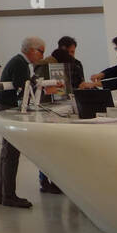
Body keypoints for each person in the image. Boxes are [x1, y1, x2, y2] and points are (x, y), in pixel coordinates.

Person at [0, 36, 47, 208]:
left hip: (5, 107)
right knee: (10, 155)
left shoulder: (20, 63)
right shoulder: (20, 64)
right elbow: (23, 87)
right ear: (32, 50)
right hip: (8, 109)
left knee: (7, 155)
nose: (42, 56)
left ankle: (3, 195)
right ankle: (8, 196)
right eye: (41, 52)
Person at [35, 35, 84, 194]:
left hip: (59, 107)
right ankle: (46, 180)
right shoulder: (46, 67)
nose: (72, 55)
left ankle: (55, 180)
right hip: (47, 109)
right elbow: (44, 88)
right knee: (48, 148)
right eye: (70, 52)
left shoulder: (66, 64)